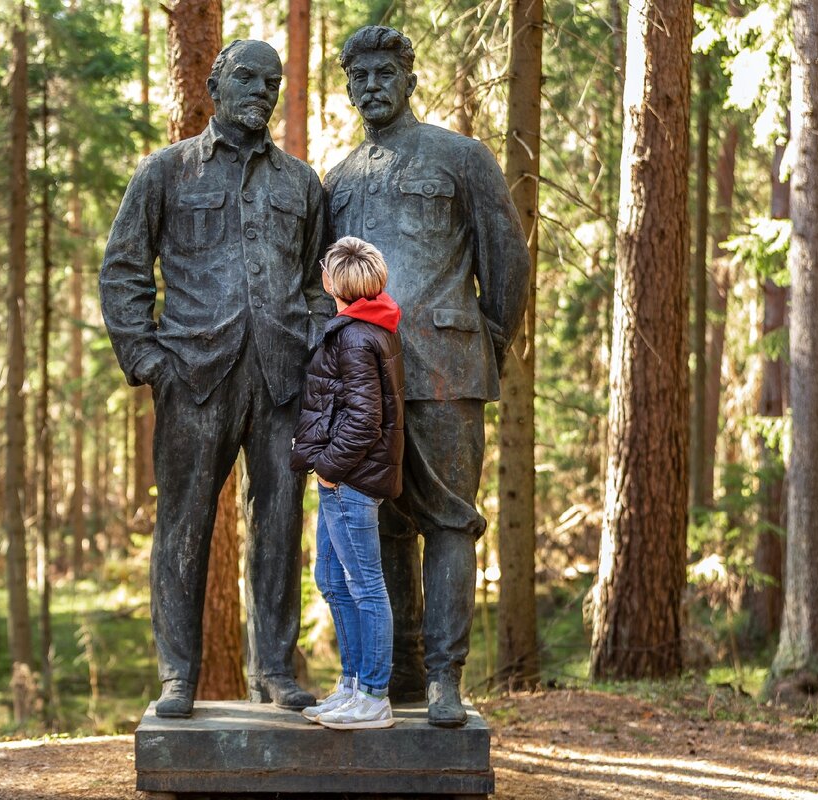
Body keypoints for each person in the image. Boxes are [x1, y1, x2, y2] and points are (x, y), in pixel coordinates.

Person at [99, 39, 332, 718]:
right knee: (184, 524)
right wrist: (146, 359)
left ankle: (275, 673)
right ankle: (179, 674)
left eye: (272, 81)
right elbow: (123, 270)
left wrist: (314, 338)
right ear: (214, 84)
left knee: (280, 524)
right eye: (247, 78)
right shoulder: (166, 173)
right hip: (193, 374)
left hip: (283, 377)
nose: (261, 89)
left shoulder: (301, 183)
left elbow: (323, 280)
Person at [324, 26, 530, 727]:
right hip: (365, 378)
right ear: (348, 87)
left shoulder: (461, 157)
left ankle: (445, 678)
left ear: (410, 81)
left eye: (385, 74)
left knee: (447, 521)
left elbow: (508, 260)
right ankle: (398, 672)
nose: (372, 86)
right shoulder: (341, 179)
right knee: (379, 524)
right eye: (360, 77)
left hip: (446, 370)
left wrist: (487, 341)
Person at [291, 237, 405, 730]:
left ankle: (375, 696)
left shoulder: (357, 337)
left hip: (351, 480)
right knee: (333, 581)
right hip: (344, 477)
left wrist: (331, 470)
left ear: (331, 281)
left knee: (364, 587)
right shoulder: (363, 329)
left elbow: (364, 419)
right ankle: (353, 685)